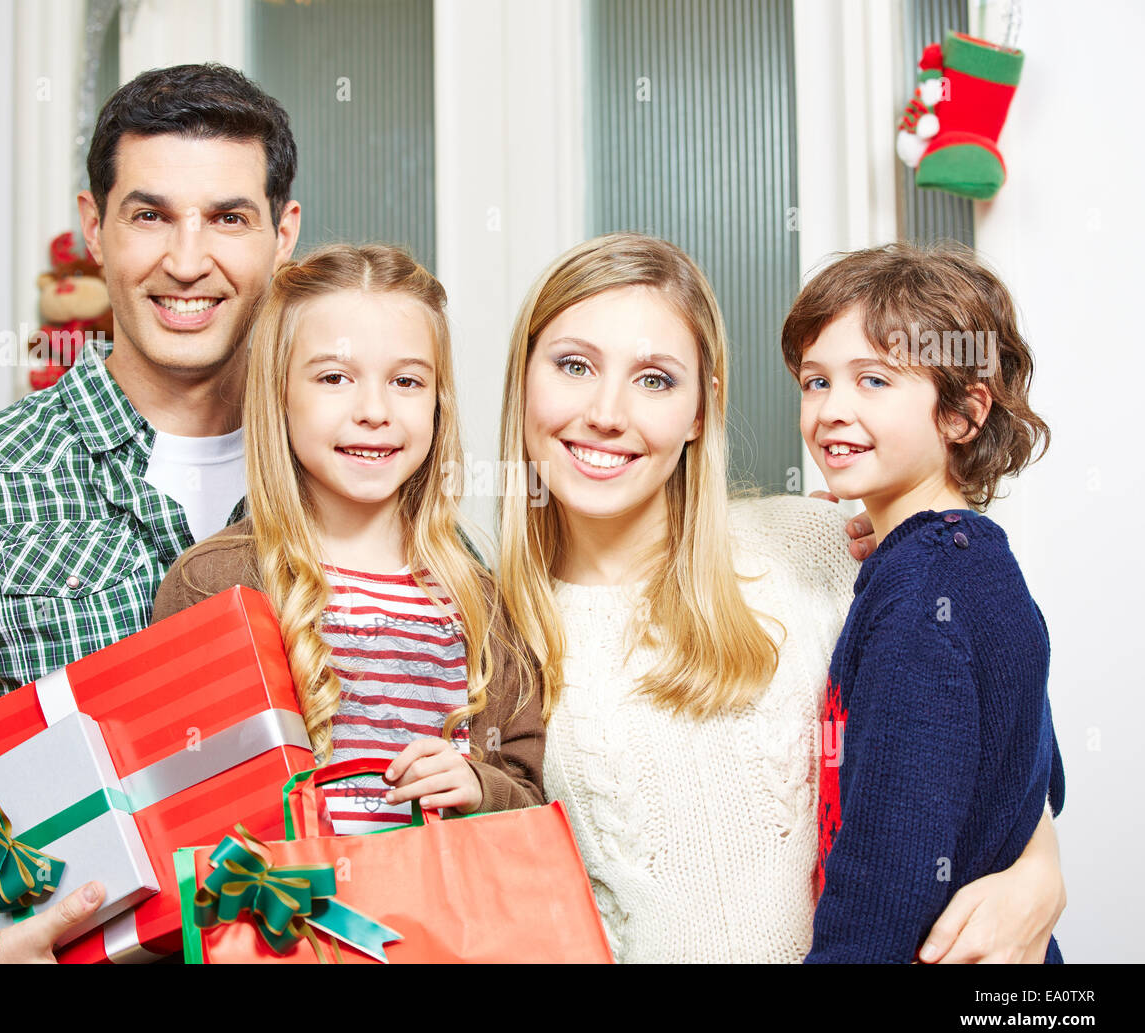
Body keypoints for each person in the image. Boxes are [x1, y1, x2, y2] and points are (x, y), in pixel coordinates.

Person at [495, 232, 1066, 963]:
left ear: (702, 410)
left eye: (655, 379)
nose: (607, 412)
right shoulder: (490, 623)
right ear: (524, 378)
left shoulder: (830, 541)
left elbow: (1007, 739)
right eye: (574, 365)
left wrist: (1037, 874)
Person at [0, 63, 300, 963]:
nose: (186, 259)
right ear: (94, 228)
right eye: (150, 214)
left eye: (228, 217)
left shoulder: (343, 479)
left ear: (283, 234)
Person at [151, 244, 544, 830]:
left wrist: (478, 786)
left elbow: (530, 798)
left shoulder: (482, 602)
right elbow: (176, 802)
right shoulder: (213, 585)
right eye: (335, 377)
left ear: (437, 402)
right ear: (279, 395)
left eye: (406, 381)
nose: (374, 410)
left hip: (439, 915)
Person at [783, 243, 1065, 962]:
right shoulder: (975, 562)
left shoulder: (922, 594)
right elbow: (1042, 775)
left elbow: (887, 867)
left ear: (962, 415)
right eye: (816, 382)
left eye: (873, 380)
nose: (831, 410)